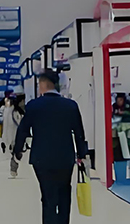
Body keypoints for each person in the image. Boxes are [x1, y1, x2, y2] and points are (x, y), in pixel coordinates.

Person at [13, 70, 88, 224]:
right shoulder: (70, 106)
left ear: (42, 84)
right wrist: (82, 155)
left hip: (41, 159)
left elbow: (23, 131)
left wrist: (17, 153)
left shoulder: (34, 106)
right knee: (64, 192)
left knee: (48, 196)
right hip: (64, 158)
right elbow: (79, 133)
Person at [2, 92, 27, 178]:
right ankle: (13, 169)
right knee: (17, 153)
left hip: (11, 136)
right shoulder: (15, 112)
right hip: (14, 136)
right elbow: (16, 124)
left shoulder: (9, 110)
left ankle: (13, 169)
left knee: (16, 153)